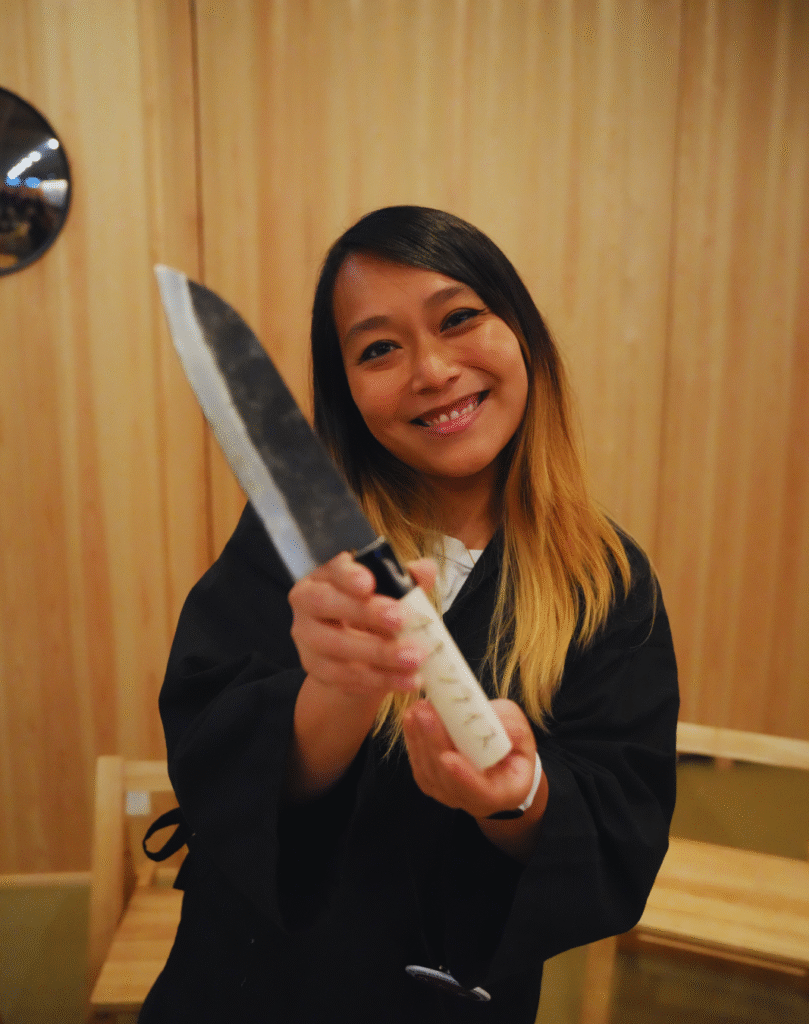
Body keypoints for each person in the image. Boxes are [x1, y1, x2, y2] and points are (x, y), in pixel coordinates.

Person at [138, 206, 679, 1023]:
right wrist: (338, 689)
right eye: (378, 349)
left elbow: (619, 832)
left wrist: (518, 795)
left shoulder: (606, 582)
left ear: (522, 333)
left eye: (458, 318)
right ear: (347, 391)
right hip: (248, 988)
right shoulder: (297, 541)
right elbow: (212, 755)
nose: (431, 370)